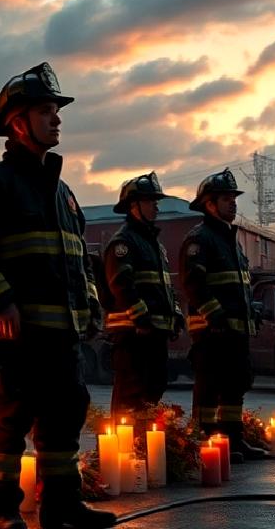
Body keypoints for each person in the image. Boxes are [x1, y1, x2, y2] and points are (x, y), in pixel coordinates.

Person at [0, 62, 116, 529]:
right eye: (46, 111)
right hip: (13, 338)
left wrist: (91, 309)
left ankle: (62, 507)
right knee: (6, 427)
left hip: (61, 337)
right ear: (17, 122)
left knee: (62, 424)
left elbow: (78, 260)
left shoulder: (65, 195)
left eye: (56, 111)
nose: (57, 118)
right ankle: (2, 512)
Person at [180, 168, 266, 461]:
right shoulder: (200, 239)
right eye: (226, 198)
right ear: (208, 203)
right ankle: (204, 440)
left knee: (235, 385)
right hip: (212, 332)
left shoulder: (230, 240)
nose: (233, 203)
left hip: (236, 331)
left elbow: (238, 285)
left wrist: (252, 309)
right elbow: (194, 283)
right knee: (210, 386)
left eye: (234, 198)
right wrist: (215, 316)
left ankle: (233, 439)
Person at [103, 172, 184, 422]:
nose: (156, 206)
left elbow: (164, 287)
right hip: (133, 335)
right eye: (150, 201)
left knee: (153, 390)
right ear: (133, 206)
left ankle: (143, 446)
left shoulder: (154, 245)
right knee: (131, 394)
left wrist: (176, 315)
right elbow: (122, 285)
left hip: (154, 334)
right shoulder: (124, 242)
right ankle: (125, 450)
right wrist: (142, 319)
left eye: (156, 201)